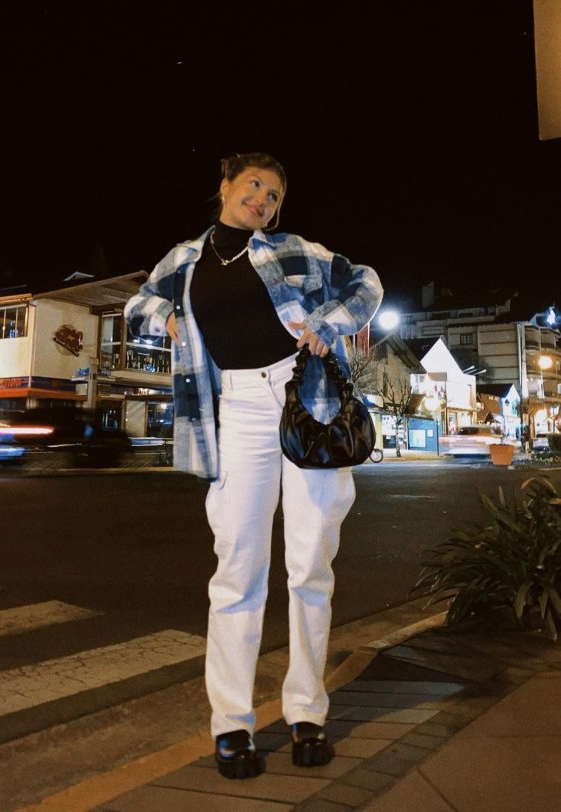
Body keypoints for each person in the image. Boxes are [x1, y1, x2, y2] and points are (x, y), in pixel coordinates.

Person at [125, 152, 383, 779]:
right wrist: (163, 316)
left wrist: (328, 322)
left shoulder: (295, 249)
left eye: (273, 195)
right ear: (224, 188)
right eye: (253, 187)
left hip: (306, 402)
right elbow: (139, 303)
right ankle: (232, 725)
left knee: (309, 563)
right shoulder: (184, 260)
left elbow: (366, 283)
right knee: (237, 566)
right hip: (234, 408)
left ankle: (306, 712)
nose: (263, 201)